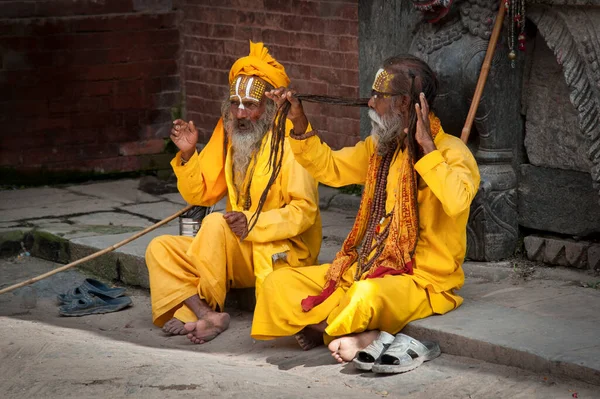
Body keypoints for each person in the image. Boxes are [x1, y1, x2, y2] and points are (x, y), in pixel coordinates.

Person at [251, 54, 480, 363]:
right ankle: (346, 329)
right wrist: (299, 122)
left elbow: (457, 201)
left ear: (403, 103)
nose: (371, 103)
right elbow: (331, 168)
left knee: (364, 295)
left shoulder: (453, 152)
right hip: (365, 266)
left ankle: (339, 327)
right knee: (277, 283)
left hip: (422, 281)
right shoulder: (380, 149)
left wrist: (427, 149)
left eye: (378, 96)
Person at [145, 41, 322, 345]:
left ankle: (199, 310)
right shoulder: (232, 139)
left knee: (214, 224)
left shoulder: (295, 143)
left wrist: (252, 223)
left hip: (280, 248)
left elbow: (304, 212)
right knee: (159, 248)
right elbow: (200, 196)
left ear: (270, 108)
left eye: (250, 105)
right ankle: (208, 313)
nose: (240, 113)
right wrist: (188, 155)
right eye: (235, 103)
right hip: (238, 250)